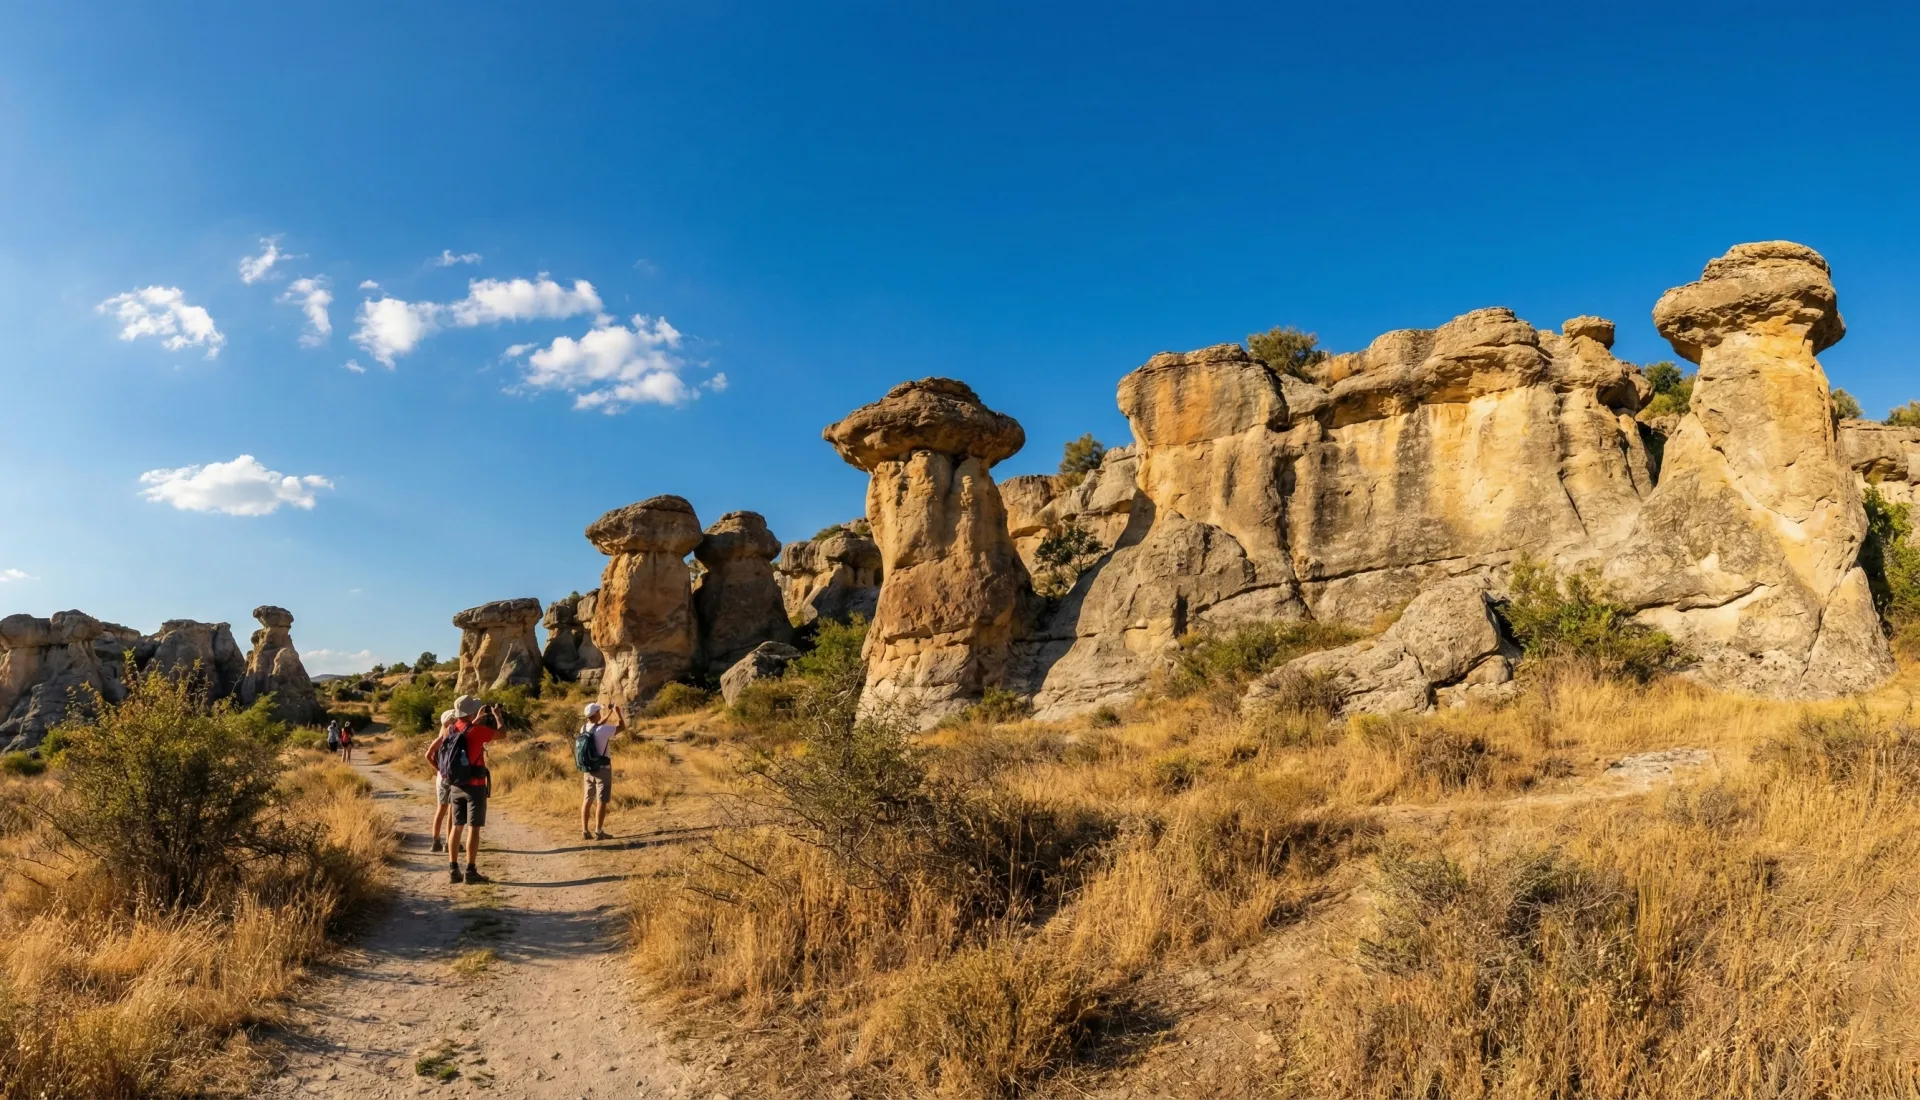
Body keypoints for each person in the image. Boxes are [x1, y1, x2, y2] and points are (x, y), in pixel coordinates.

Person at [440, 695, 503, 884]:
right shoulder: (478, 731)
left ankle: (453, 869)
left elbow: (463, 735)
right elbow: (502, 734)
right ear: (471, 712)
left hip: (456, 784)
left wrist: (475, 721)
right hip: (475, 785)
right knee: (473, 829)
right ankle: (470, 870)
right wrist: (498, 716)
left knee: (457, 826)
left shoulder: (449, 729)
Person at [576, 702, 624, 841]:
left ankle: (585, 830)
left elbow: (597, 727)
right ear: (596, 714)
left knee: (587, 800)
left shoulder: (583, 728)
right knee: (602, 800)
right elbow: (622, 727)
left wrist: (608, 714)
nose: (600, 714)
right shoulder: (603, 730)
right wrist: (617, 713)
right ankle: (599, 831)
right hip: (602, 770)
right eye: (599, 712)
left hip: (588, 769)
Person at [423, 708, 457, 853]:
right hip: (449, 777)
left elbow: (428, 755)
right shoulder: (450, 736)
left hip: (441, 777)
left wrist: (438, 769)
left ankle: (436, 841)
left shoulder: (441, 737)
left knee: (442, 809)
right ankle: (449, 842)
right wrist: (438, 768)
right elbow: (427, 754)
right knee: (450, 810)